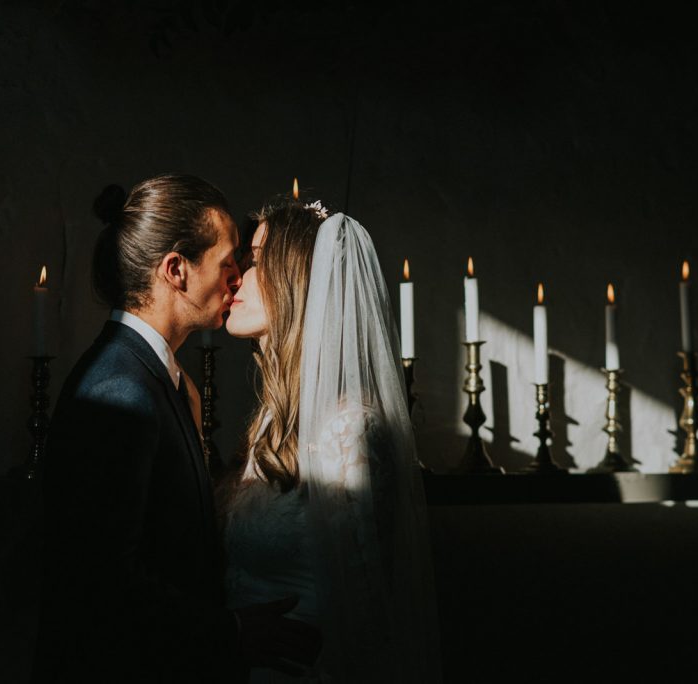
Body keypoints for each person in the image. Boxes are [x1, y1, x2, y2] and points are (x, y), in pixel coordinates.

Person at [31, 174, 320, 683]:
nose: (238, 276)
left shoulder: (159, 377)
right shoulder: (120, 390)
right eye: (228, 260)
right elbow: (100, 581)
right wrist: (230, 631)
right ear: (176, 270)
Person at [222, 198, 443, 683]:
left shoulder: (352, 430)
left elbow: (367, 611)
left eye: (256, 261)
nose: (236, 274)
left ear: (296, 279)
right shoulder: (272, 423)